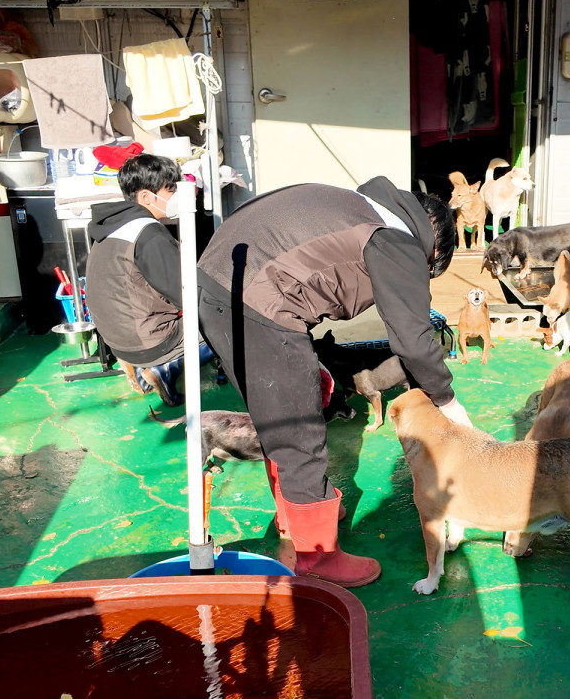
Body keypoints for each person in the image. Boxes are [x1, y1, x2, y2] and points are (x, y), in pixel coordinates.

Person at [196, 176, 472, 588]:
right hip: (259, 303)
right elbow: (413, 337)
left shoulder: (361, 207)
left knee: (279, 417)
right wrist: (449, 404)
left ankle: (298, 514)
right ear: (434, 248)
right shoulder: (397, 238)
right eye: (430, 270)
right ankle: (315, 557)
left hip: (223, 289)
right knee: (299, 431)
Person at [84, 153, 213, 406]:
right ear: (146, 197)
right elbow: (187, 293)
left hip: (116, 341)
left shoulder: (110, 227)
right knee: (226, 320)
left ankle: (143, 371)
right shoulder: (148, 233)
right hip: (148, 341)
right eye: (170, 190)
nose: (176, 197)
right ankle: (166, 369)